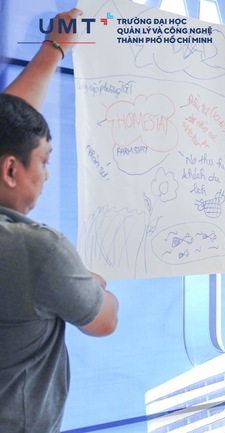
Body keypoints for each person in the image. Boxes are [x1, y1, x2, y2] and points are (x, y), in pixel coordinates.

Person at [0, 9, 119, 433]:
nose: (47, 175)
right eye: (44, 162)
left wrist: (52, 50)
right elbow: (104, 320)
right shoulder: (37, 250)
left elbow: (9, 126)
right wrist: (90, 282)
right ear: (11, 170)